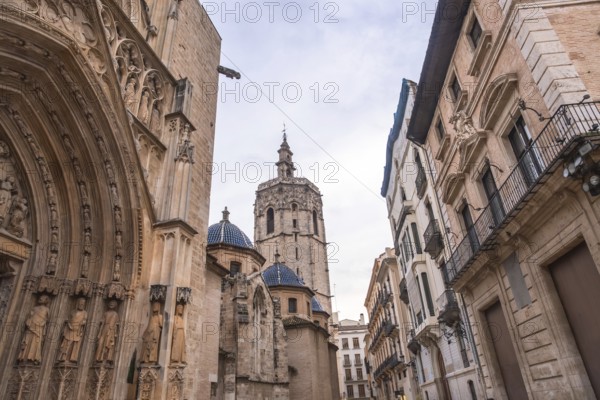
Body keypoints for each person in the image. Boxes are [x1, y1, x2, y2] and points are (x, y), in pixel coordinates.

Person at [18, 295, 50, 364]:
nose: (40, 299)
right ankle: (24, 357)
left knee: (36, 342)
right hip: (31, 326)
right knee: (27, 341)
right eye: (40, 298)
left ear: (46, 300)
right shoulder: (34, 308)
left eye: (42, 298)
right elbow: (30, 316)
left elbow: (46, 319)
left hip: (39, 327)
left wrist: (42, 323)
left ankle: (34, 357)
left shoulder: (46, 309)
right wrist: (29, 321)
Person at [57, 297, 88, 363]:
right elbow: (68, 319)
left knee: (74, 344)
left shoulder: (84, 313)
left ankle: (72, 358)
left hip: (77, 330)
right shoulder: (72, 312)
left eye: (83, 304)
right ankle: (63, 357)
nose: (81, 305)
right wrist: (68, 324)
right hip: (70, 329)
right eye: (80, 303)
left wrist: (82, 323)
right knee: (66, 343)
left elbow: (84, 321)